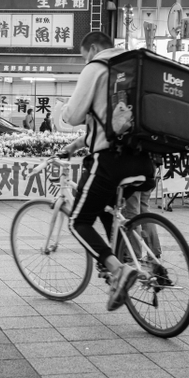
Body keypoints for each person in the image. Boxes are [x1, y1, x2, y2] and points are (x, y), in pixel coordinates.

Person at [57, 31, 156, 312]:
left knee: (78, 222)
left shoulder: (97, 67)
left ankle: (118, 268)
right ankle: (146, 265)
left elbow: (74, 115)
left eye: (82, 56)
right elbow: (104, 123)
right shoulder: (132, 69)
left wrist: (63, 112)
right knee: (108, 211)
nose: (82, 61)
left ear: (90, 49)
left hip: (111, 162)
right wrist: (76, 145)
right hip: (144, 160)